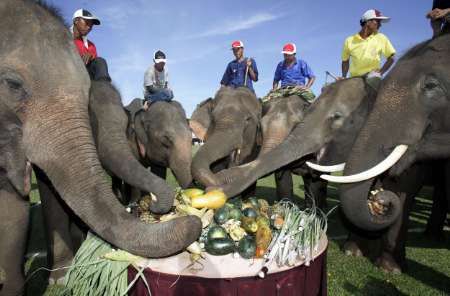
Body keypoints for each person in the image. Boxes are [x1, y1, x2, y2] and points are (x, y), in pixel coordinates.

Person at [341, 9, 396, 82]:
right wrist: (343, 77)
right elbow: (345, 61)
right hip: (354, 79)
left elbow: (391, 58)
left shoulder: (381, 38)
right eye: (377, 21)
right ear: (368, 22)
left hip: (372, 78)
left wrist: (380, 73)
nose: (380, 25)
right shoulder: (349, 40)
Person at [72, 9, 111, 82]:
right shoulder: (63, 36)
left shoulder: (91, 45)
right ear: (76, 21)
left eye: (91, 25)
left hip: (84, 75)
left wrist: (92, 56)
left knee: (100, 61)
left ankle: (104, 88)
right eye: (87, 23)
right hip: (67, 69)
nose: (89, 27)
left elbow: (97, 67)